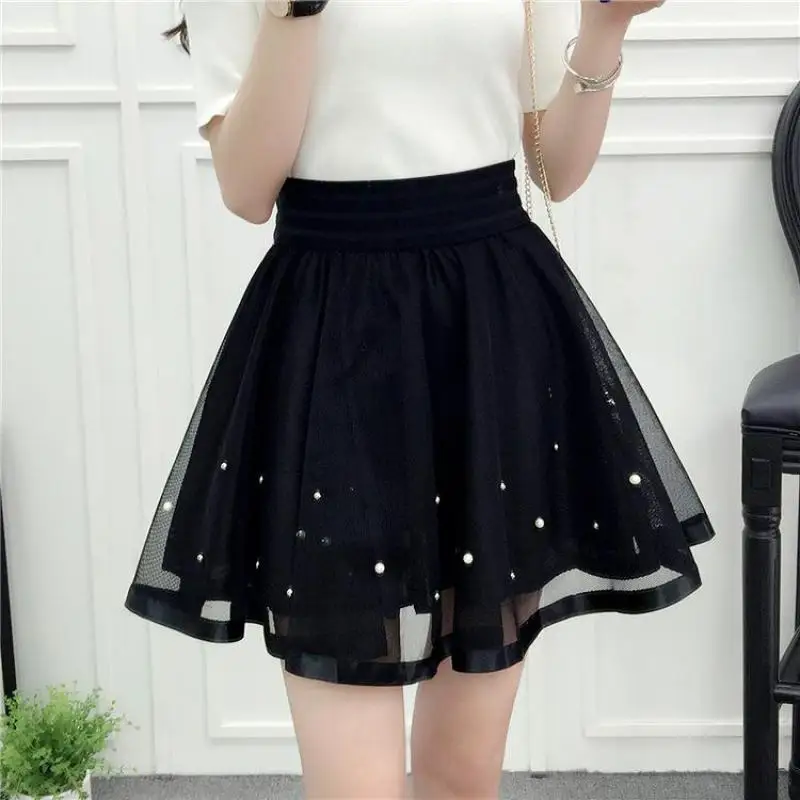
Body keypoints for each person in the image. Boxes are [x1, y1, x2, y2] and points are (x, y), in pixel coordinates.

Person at [125, 1, 715, 797]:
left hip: (488, 329)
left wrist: (607, 27)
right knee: (355, 787)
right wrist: (295, 12)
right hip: (332, 338)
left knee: (461, 777)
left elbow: (554, 169)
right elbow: (247, 186)